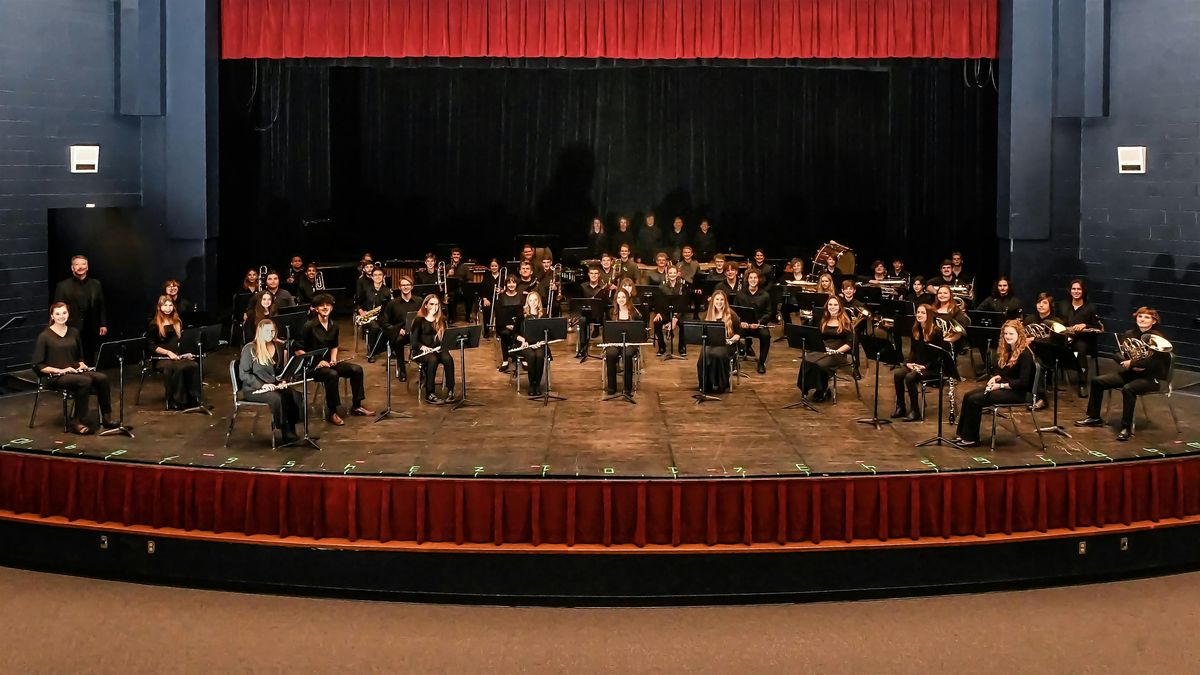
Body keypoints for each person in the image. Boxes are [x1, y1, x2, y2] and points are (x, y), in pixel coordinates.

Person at [1076, 307, 1171, 441]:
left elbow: (1157, 362)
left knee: (1128, 389)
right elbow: (1116, 352)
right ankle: (1094, 417)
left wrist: (1132, 363)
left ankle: (1126, 427)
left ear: (1154, 321)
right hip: (1130, 373)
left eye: (1147, 317)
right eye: (1140, 316)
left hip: (1151, 378)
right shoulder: (1129, 334)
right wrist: (1124, 362)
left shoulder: (1158, 338)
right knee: (1097, 381)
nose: (1142, 319)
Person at [31, 302, 114, 434]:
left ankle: (106, 418)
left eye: (64, 313)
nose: (61, 316)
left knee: (102, 378)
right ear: (52, 316)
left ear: (68, 314)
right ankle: (77, 421)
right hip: (54, 376)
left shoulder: (74, 332)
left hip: (73, 372)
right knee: (84, 381)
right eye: (57, 314)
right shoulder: (45, 336)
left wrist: (82, 364)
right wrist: (61, 371)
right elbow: (37, 365)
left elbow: (79, 357)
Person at [952, 319, 1036, 446]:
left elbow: (1023, 382)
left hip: (1017, 393)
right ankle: (963, 435)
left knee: (975, 400)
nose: (1008, 336)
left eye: (1011, 334)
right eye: (1006, 333)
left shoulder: (1024, 354)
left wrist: (1000, 385)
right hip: (1007, 388)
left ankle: (971, 439)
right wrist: (996, 378)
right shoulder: (1009, 350)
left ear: (1019, 335)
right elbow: (1005, 373)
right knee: (968, 395)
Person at [298, 294, 373, 425]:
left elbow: (334, 346)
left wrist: (333, 359)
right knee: (332, 375)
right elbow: (298, 350)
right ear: (316, 309)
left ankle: (357, 405)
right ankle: (332, 412)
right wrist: (317, 362)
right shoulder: (308, 326)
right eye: (321, 305)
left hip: (328, 363)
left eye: (328, 305)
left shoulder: (334, 326)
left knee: (357, 369)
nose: (325, 307)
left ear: (332, 308)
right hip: (312, 366)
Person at [238, 319, 302, 443]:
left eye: (272, 331)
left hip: (274, 385)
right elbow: (244, 374)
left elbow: (281, 370)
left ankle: (291, 427)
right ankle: (283, 429)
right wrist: (262, 385)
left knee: (295, 395)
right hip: (253, 389)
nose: (270, 334)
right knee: (277, 398)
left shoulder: (278, 346)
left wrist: (283, 381)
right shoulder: (250, 348)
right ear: (260, 332)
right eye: (267, 331)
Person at [146, 295, 201, 410]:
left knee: (193, 365)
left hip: (176, 355)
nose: (168, 308)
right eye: (165, 305)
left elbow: (179, 342)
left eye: (170, 305)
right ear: (160, 307)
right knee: (175, 368)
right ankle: (175, 399)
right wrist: (168, 353)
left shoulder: (177, 321)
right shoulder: (154, 324)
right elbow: (151, 346)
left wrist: (185, 353)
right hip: (161, 358)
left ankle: (193, 398)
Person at [892, 304, 945, 422]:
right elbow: (913, 351)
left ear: (929, 315)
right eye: (918, 312)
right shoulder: (916, 330)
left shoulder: (936, 332)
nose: (919, 315)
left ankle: (914, 410)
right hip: (917, 364)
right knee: (898, 374)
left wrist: (924, 366)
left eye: (923, 313)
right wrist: (908, 363)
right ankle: (900, 407)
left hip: (932, 368)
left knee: (910, 377)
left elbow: (938, 356)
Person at [796, 295, 852, 402]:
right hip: (822, 349)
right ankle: (806, 389)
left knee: (820, 365)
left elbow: (849, 344)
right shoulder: (823, 320)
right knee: (806, 361)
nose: (832, 307)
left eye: (835, 305)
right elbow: (816, 337)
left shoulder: (846, 322)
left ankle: (822, 389)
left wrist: (836, 351)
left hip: (838, 353)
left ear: (840, 307)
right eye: (830, 304)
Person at [52, 255, 107, 363]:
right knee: (72, 356)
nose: (80, 267)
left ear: (87, 266)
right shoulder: (63, 286)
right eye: (77, 264)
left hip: (91, 326)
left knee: (89, 356)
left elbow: (101, 305)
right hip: (71, 326)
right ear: (72, 268)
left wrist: (103, 324)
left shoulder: (96, 284)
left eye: (83, 264)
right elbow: (57, 308)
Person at [1055, 278, 1103, 397]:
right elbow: (1055, 321)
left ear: (1083, 291)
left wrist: (1085, 325)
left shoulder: (1090, 308)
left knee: (1080, 349)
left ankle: (1082, 383)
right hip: (1065, 337)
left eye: (1079, 289)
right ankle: (1050, 379)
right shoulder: (1062, 305)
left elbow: (1097, 326)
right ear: (1070, 290)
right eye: (1073, 289)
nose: (1076, 291)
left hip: (1083, 339)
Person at [412, 294, 456, 404]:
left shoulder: (441, 320)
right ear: (425, 305)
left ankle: (451, 390)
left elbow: (444, 339)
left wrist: (442, 346)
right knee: (433, 359)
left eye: (436, 304)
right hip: (421, 351)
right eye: (431, 304)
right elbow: (414, 341)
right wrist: (422, 347)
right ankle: (429, 393)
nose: (434, 307)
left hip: (437, 349)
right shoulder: (419, 320)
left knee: (448, 359)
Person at [697, 289, 740, 394]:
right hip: (711, 343)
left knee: (718, 353)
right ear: (713, 301)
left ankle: (721, 383)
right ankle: (705, 384)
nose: (719, 302)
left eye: (722, 300)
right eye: (717, 299)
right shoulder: (706, 315)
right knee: (705, 353)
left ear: (725, 301)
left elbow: (738, 334)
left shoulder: (732, 315)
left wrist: (730, 340)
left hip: (727, 344)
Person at [379, 276, 421, 380]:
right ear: (399, 287)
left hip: (417, 332)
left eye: (408, 285)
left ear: (412, 287)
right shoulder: (392, 304)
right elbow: (384, 322)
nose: (405, 287)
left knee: (427, 339)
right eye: (403, 285)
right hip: (401, 333)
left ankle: (423, 368)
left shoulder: (419, 301)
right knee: (398, 341)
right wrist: (397, 330)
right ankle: (401, 368)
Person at [604, 288, 641, 397]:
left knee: (627, 354)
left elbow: (639, 330)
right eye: (619, 297)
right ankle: (611, 387)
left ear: (627, 298)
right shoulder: (611, 312)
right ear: (616, 299)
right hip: (615, 342)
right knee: (610, 354)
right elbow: (607, 329)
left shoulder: (634, 312)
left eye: (623, 297)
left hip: (630, 343)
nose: (621, 299)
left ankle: (627, 388)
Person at [512, 291, 549, 397]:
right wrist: (523, 340)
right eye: (531, 300)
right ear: (527, 301)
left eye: (535, 300)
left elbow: (548, 332)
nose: (533, 302)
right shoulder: (522, 315)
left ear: (539, 301)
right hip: (525, 344)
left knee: (540, 355)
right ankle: (531, 384)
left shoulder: (543, 315)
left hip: (540, 344)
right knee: (531, 355)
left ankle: (537, 384)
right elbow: (514, 333)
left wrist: (541, 341)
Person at [736, 270, 772, 373]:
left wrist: (759, 322)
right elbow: (734, 311)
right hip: (743, 325)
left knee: (766, 336)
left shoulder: (765, 295)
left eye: (755, 278)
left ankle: (761, 363)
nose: (753, 280)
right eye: (751, 278)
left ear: (759, 279)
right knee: (731, 333)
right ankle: (734, 362)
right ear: (747, 279)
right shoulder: (740, 294)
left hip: (758, 325)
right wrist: (739, 322)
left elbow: (769, 313)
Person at [357, 267, 392, 361]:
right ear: (372, 277)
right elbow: (358, 302)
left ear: (383, 276)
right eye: (375, 275)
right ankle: (371, 351)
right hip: (368, 317)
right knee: (375, 327)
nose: (377, 277)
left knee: (390, 326)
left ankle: (390, 349)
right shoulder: (366, 290)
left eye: (380, 275)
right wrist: (361, 311)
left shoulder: (387, 291)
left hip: (382, 317)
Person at [653, 266, 687, 357]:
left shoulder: (682, 287)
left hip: (678, 313)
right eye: (670, 273)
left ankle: (682, 347)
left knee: (684, 324)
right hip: (665, 313)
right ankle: (662, 347)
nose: (672, 275)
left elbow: (683, 304)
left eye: (674, 273)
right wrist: (658, 313)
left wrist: (675, 318)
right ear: (667, 275)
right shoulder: (662, 287)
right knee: (657, 322)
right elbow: (658, 302)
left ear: (677, 274)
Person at [576, 266, 609, 358]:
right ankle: (583, 347)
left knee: (606, 319)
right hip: (587, 314)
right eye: (592, 273)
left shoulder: (604, 287)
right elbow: (579, 303)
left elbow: (607, 303)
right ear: (588, 274)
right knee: (582, 320)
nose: (593, 275)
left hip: (600, 315)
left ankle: (606, 346)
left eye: (595, 274)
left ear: (599, 275)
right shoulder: (583, 286)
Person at [495, 275, 525, 372]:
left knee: (524, 331)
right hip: (505, 325)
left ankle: (524, 358)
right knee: (505, 333)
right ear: (506, 284)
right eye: (509, 283)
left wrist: (516, 325)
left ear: (516, 284)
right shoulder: (501, 298)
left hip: (518, 325)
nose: (511, 285)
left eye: (513, 282)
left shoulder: (521, 297)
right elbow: (499, 315)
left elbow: (523, 313)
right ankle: (505, 360)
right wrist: (506, 325)